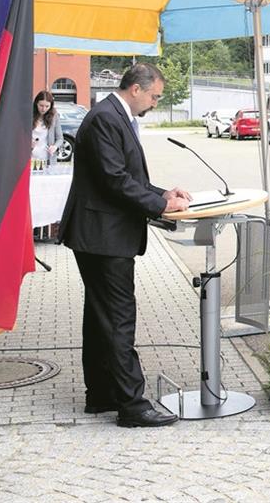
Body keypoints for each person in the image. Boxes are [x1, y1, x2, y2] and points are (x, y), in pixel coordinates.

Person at [59, 63, 190, 428]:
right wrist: (161, 206)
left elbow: (126, 176)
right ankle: (132, 406)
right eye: (154, 96)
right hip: (103, 236)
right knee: (118, 319)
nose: (154, 102)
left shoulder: (113, 115)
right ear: (136, 89)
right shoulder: (105, 118)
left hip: (103, 234)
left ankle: (101, 394)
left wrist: (162, 192)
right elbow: (114, 180)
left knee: (100, 318)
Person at [31, 90, 64, 165]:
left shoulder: (54, 116)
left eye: (47, 106)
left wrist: (54, 147)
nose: (44, 109)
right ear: (36, 103)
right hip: (30, 158)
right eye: (41, 105)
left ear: (51, 106)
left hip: (47, 158)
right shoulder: (29, 114)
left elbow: (60, 138)